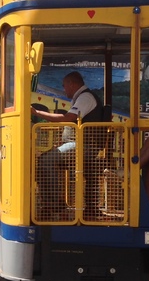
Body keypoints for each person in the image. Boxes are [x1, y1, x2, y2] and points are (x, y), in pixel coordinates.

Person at [31, 71, 107, 213]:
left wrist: (37, 113)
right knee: (48, 158)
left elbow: (68, 118)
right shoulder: (82, 98)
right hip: (80, 145)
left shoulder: (85, 98)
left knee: (46, 160)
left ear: (71, 84)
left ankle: (53, 204)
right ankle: (55, 201)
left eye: (64, 86)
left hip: (84, 147)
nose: (64, 89)